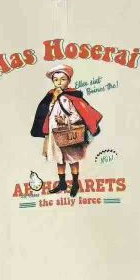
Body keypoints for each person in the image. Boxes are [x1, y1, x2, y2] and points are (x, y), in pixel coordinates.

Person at [30, 63, 103, 197]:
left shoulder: (71, 96)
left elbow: (77, 115)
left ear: (68, 81)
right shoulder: (51, 96)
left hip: (68, 133)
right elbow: (47, 111)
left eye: (63, 79)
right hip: (55, 133)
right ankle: (62, 183)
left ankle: (75, 183)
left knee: (72, 158)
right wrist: (54, 98)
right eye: (56, 79)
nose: (59, 82)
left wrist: (66, 121)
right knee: (59, 159)